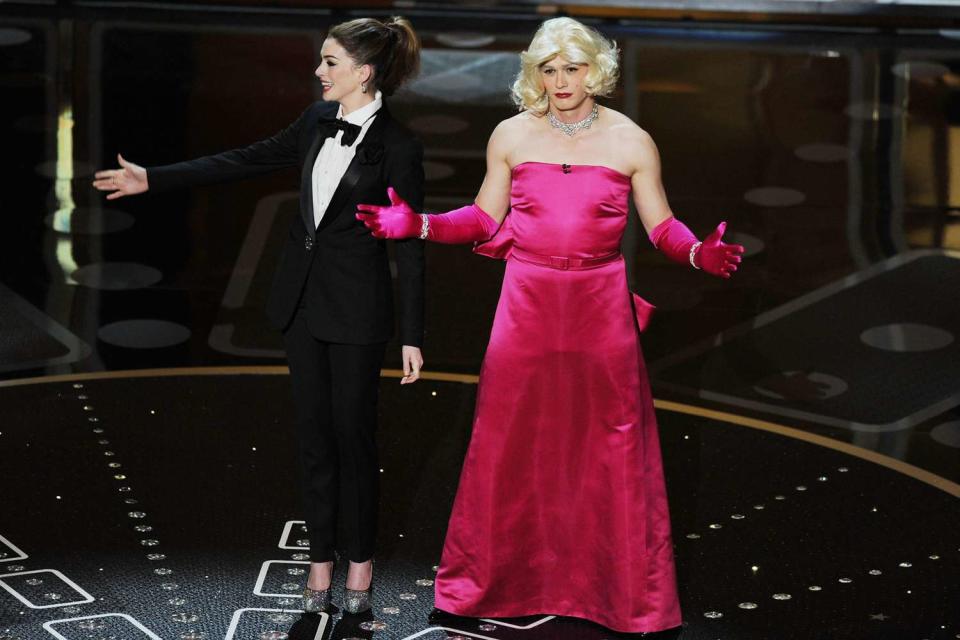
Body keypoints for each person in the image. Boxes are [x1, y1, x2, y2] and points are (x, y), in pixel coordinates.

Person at [355, 16, 744, 633]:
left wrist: (700, 253)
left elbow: (663, 228)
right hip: (527, 302)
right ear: (535, 74)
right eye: (549, 69)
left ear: (597, 69)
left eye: (574, 67)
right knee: (506, 442)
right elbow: (484, 218)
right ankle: (488, 588)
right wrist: (420, 224)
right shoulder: (511, 135)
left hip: (600, 307)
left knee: (612, 447)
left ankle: (625, 601)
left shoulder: (631, 140)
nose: (562, 80)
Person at [92, 16, 425, 615]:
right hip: (300, 304)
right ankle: (319, 564)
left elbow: (409, 244)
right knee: (314, 442)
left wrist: (412, 335)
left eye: (329, 62)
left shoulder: (398, 147)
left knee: (353, 438)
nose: (318, 71)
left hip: (356, 313)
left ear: (363, 72)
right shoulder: (314, 121)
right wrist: (155, 178)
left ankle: (359, 568)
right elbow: (245, 159)